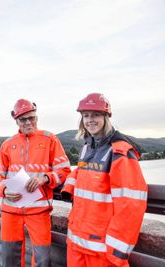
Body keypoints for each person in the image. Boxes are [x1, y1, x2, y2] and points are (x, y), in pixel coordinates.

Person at [61, 93, 148, 267]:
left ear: (106, 117)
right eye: (86, 115)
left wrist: (117, 251)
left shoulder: (120, 152)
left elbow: (131, 205)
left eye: (96, 114)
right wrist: (68, 187)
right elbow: (81, 171)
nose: (90, 120)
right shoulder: (87, 147)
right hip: (77, 241)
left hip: (101, 249)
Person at [0, 99, 71, 267]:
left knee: (43, 259)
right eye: (23, 119)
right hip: (10, 210)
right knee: (10, 257)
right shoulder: (8, 144)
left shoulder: (50, 139)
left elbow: (64, 171)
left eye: (32, 118)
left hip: (39, 211)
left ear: (37, 117)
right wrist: (4, 190)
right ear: (16, 121)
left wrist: (46, 178)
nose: (28, 122)